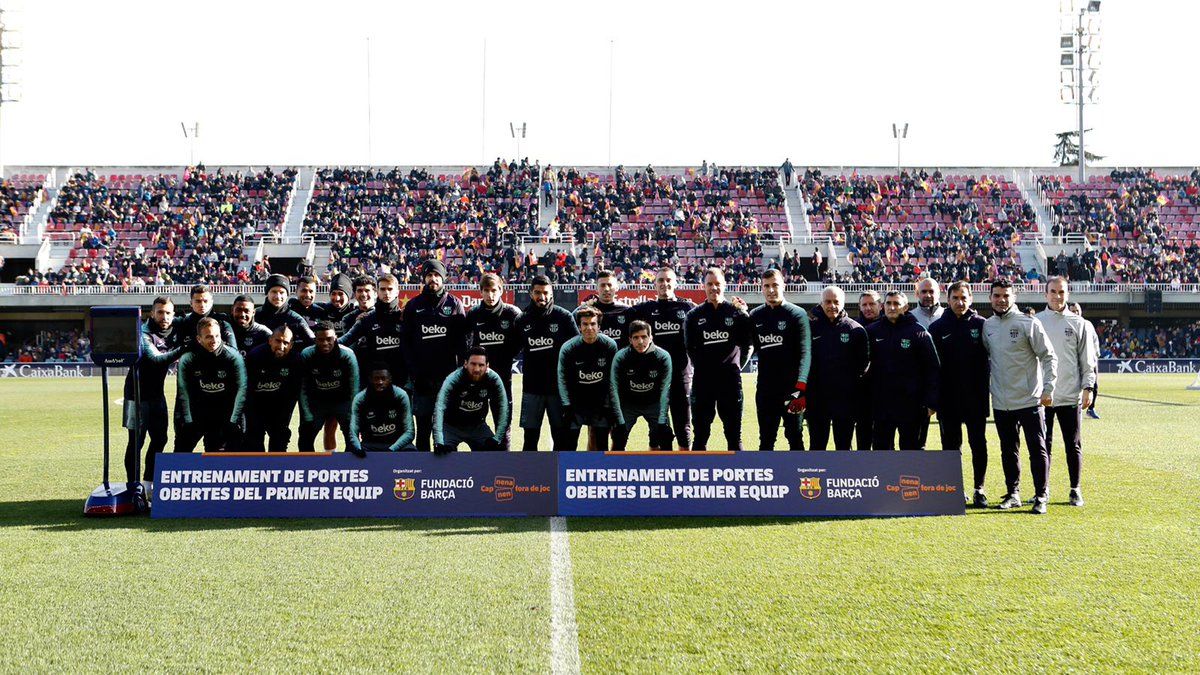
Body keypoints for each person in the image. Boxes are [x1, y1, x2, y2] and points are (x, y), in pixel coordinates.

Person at [983, 279, 1058, 515]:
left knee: (1037, 449)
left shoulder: (1028, 323)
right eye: (997, 295)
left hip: (1030, 399)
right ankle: (1013, 493)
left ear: (1013, 297)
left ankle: (1041, 495)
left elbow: (1049, 356)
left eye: (1006, 295)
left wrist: (1048, 388)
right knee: (1008, 450)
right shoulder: (988, 326)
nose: (1001, 300)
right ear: (990, 298)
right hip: (1001, 401)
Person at [1036, 278, 1098, 507]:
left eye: (1061, 292)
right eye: (1053, 292)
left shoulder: (1079, 323)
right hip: (1043, 397)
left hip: (1070, 395)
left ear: (1067, 294)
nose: (1057, 296)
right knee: (1043, 446)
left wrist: (1088, 387)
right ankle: (1043, 490)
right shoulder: (1035, 322)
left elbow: (1087, 360)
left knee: (1073, 445)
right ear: (1045, 294)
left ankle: (1075, 489)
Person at [928, 281, 991, 506]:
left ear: (971, 299)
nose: (960, 302)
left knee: (978, 444)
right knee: (951, 447)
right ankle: (956, 488)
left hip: (975, 398)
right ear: (948, 300)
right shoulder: (937, 327)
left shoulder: (982, 324)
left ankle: (979, 489)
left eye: (964, 298)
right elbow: (932, 367)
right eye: (955, 298)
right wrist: (934, 398)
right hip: (948, 399)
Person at [684, 268, 753, 451]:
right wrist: (704, 366)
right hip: (703, 382)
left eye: (717, 284)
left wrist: (736, 366)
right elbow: (690, 348)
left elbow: (748, 344)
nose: (714, 288)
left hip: (730, 382)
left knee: (734, 436)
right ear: (704, 286)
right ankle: (699, 470)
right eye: (710, 284)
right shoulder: (694, 315)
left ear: (724, 285)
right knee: (700, 436)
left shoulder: (737, 313)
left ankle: (738, 470)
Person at [402, 259, 467, 452]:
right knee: (423, 430)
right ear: (424, 278)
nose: (433, 279)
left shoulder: (454, 304)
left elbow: (463, 343)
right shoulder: (413, 306)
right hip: (422, 381)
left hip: (448, 380)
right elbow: (406, 344)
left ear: (443, 278)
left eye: (437, 275)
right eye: (429, 275)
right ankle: (423, 468)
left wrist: (458, 375)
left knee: (448, 430)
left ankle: (448, 468)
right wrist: (415, 374)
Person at [122, 296, 182, 498]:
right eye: (160, 312)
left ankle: (148, 484)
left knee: (160, 438)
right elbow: (156, 359)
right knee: (136, 442)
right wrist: (184, 348)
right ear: (152, 313)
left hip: (157, 394)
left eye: (168, 313)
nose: (164, 316)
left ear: (173, 315)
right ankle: (133, 486)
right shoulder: (143, 333)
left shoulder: (174, 329)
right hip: (136, 395)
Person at [866, 291, 939, 451]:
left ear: (905, 307)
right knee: (881, 452)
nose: (892, 307)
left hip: (912, 406)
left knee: (910, 453)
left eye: (896, 304)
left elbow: (932, 368)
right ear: (883, 306)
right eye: (888, 303)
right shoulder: (872, 331)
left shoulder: (918, 332)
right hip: (881, 406)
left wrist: (931, 401)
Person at [631, 266, 695, 450]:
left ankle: (685, 465)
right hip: (655, 379)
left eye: (668, 280)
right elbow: (616, 311)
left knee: (683, 427)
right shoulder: (645, 309)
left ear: (675, 283)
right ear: (655, 284)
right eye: (660, 280)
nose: (664, 284)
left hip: (681, 377)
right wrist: (591, 303)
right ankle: (660, 466)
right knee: (657, 430)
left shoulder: (688, 308)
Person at [749, 269, 811, 451]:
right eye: (766, 286)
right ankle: (767, 472)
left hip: (792, 390)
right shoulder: (755, 316)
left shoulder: (797, 314)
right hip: (766, 390)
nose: (771, 290)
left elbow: (806, 353)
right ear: (761, 288)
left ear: (783, 285)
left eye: (775, 285)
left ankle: (798, 471)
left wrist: (800, 388)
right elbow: (749, 346)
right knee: (766, 440)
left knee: (795, 437)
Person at [516, 275, 579, 451]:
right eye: (537, 292)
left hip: (558, 390)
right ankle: (531, 469)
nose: (541, 297)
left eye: (545, 292)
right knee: (530, 440)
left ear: (551, 293)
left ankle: (557, 470)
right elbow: (511, 349)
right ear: (531, 293)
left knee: (560, 439)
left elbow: (577, 349)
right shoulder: (522, 320)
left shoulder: (564, 317)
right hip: (532, 389)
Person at [806, 286, 869, 451]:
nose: (832, 306)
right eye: (827, 302)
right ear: (821, 303)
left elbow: (863, 365)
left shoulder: (855, 330)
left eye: (836, 302)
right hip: (817, 400)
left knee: (844, 447)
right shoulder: (810, 327)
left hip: (845, 401)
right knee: (817, 446)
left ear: (843, 303)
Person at [465, 273, 522, 450]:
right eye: (486, 290)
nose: (490, 295)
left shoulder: (512, 313)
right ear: (481, 292)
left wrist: (507, 355)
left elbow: (522, 341)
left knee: (503, 427)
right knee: (475, 426)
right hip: (478, 380)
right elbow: (466, 343)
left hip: (503, 380)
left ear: (501, 291)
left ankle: (504, 462)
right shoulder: (474, 314)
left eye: (494, 290)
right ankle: (482, 462)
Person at [173, 317, 247, 453]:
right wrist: (187, 420)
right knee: (180, 452)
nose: (214, 340)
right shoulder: (188, 358)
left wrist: (233, 420)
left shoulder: (233, 357)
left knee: (216, 456)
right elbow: (183, 392)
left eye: (217, 336)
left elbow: (242, 390)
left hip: (223, 414)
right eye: (209, 337)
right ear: (199, 339)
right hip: (197, 412)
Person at [557, 307, 620, 451]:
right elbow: (562, 378)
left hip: (600, 405)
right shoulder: (568, 347)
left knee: (601, 447)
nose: (589, 328)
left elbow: (613, 379)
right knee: (569, 446)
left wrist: (609, 406)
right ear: (579, 326)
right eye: (585, 324)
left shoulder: (609, 345)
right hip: (576, 405)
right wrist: (567, 406)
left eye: (593, 324)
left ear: (599, 326)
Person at [299, 321, 362, 455]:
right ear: (315, 339)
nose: (325, 343)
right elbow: (302, 388)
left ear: (335, 338)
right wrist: (307, 414)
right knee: (305, 438)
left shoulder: (347, 355)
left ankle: (348, 465)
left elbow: (354, 387)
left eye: (329, 339)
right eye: (321, 340)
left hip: (342, 401)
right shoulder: (307, 355)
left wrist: (352, 414)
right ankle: (309, 465)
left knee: (353, 439)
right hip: (317, 402)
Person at [609, 320, 673, 451]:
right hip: (628, 404)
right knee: (618, 436)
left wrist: (662, 422)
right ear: (630, 340)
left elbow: (666, 390)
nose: (640, 341)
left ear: (651, 337)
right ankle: (616, 463)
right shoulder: (621, 357)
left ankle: (661, 460)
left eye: (644, 337)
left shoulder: (662, 356)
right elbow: (613, 388)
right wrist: (619, 421)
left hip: (654, 403)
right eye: (636, 338)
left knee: (665, 436)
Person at [339, 273, 406, 395]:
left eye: (390, 289)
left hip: (401, 382)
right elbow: (344, 341)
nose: (386, 293)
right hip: (374, 383)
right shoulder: (366, 319)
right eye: (383, 289)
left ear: (397, 292)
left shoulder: (405, 317)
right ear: (378, 292)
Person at [432, 347, 510, 453]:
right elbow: (439, 407)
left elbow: (503, 407)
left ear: (487, 366)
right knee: (443, 456)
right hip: (450, 427)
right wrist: (439, 441)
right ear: (465, 364)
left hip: (478, 427)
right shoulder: (453, 379)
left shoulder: (494, 379)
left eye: (481, 365)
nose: (476, 369)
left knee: (493, 453)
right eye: (473, 364)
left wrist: (497, 439)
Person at [243, 325, 303, 453]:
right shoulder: (255, 356)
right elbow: (247, 389)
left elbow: (294, 391)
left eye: (286, 343)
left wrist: (284, 414)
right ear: (270, 340)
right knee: (254, 441)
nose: (281, 346)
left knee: (280, 440)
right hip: (256, 406)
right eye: (278, 341)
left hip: (280, 408)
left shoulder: (296, 360)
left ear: (291, 345)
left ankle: (277, 464)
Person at [350, 364, 416, 452]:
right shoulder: (360, 399)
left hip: (396, 443)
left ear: (390, 379)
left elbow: (409, 431)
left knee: (410, 451)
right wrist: (358, 448)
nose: (380, 382)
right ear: (370, 379)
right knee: (353, 451)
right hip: (370, 444)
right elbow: (353, 431)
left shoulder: (401, 396)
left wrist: (392, 449)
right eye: (376, 379)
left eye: (383, 378)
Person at [854, 290, 882, 450]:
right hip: (861, 393)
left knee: (883, 441)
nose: (868, 308)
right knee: (863, 436)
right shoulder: (853, 327)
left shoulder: (889, 326)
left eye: (872, 304)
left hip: (884, 392)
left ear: (880, 305)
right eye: (864, 304)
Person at [258, 274, 315, 349]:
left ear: (287, 294)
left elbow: (313, 345)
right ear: (267, 293)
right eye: (274, 292)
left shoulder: (296, 320)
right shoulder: (255, 316)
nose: (278, 296)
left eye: (282, 292)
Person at [577, 269, 635, 343]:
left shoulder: (627, 310)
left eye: (610, 285)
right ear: (596, 288)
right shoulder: (587, 310)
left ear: (617, 287)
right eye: (602, 285)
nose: (606, 289)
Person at [173, 284, 234, 350]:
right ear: (191, 303)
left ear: (211, 302)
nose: (202, 305)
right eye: (198, 301)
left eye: (205, 301)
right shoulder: (182, 323)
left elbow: (232, 349)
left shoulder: (222, 321)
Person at [1070, 301, 1102, 419]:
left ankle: (1091, 408)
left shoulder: (1087, 324)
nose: (1076, 313)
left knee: (1094, 385)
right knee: (1074, 385)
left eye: (1077, 310)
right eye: (1073, 311)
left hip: (1090, 359)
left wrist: (1096, 355)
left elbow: (1095, 340)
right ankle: (1073, 409)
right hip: (1074, 360)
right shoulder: (1066, 324)